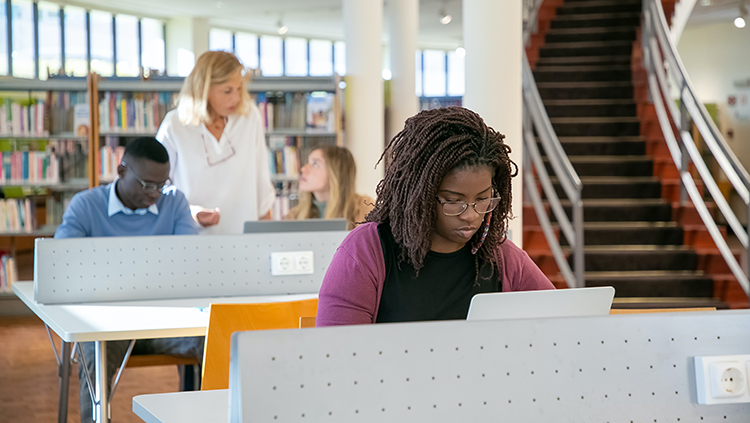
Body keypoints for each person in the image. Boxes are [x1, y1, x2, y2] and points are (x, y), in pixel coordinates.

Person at [316, 107, 554, 326]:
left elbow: (564, 325)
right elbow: (335, 359)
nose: (470, 215)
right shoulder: (364, 253)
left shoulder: (505, 260)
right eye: (453, 201)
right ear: (419, 195)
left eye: (483, 199)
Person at [54, 137, 203, 423]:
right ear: (121, 172)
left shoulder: (175, 202)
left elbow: (190, 261)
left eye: (162, 184)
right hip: (109, 327)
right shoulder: (86, 205)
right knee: (93, 350)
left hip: (166, 324)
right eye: (147, 184)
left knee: (221, 337)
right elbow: (64, 264)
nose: (156, 193)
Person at [156, 51, 275, 235]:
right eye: (227, 91)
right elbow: (158, 189)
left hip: (244, 237)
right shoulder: (174, 125)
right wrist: (192, 213)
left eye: (239, 89)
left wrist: (268, 237)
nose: (235, 98)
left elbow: (261, 180)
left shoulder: (249, 117)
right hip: (191, 237)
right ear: (203, 90)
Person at [285, 145, 373, 230]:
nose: (303, 169)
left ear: (336, 172)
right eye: (307, 162)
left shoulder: (364, 208)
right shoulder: (294, 215)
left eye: (315, 164)